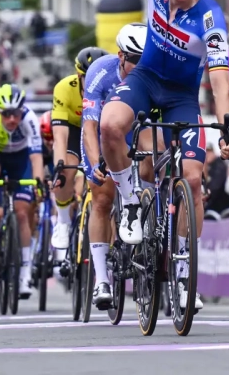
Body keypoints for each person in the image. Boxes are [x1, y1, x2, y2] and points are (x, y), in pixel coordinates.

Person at [83, 0, 229, 310]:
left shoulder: (210, 19)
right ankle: (131, 200)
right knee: (112, 124)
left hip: (183, 97)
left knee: (192, 178)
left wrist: (226, 126)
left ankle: (185, 271)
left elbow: (220, 78)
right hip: (147, 79)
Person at [80, 23, 161, 307]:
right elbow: (89, 126)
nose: (140, 65)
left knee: (156, 156)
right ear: (121, 56)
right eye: (135, 60)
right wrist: (94, 163)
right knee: (101, 196)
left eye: (145, 59)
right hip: (105, 130)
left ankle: (148, 218)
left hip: (137, 127)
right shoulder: (100, 72)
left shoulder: (153, 72)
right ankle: (102, 280)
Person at [0, 84, 44, 299]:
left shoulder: (29, 119)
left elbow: (36, 157)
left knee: (22, 212)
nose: (12, 120)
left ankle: (24, 274)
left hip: (21, 160)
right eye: (6, 114)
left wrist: (39, 182)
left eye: (15, 114)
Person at [49, 47, 108, 251]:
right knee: (67, 167)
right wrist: (59, 165)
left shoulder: (112, 86)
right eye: (87, 77)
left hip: (100, 129)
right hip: (75, 129)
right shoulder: (64, 88)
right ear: (78, 76)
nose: (93, 83)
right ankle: (63, 222)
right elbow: (60, 134)